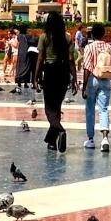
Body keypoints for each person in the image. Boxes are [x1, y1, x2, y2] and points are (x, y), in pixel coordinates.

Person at [35, 10, 74, 152]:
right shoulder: (67, 38)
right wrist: (74, 78)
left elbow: (40, 58)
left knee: (49, 109)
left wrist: (36, 76)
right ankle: (51, 141)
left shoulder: (44, 37)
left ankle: (60, 130)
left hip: (50, 72)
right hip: (63, 72)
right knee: (56, 107)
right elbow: (71, 59)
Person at [80, 23, 111, 150]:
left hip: (92, 79)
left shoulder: (89, 47)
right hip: (105, 80)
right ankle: (105, 138)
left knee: (90, 109)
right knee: (104, 109)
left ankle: (90, 139)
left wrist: (84, 87)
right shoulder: (109, 47)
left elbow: (87, 68)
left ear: (92, 34)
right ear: (103, 34)